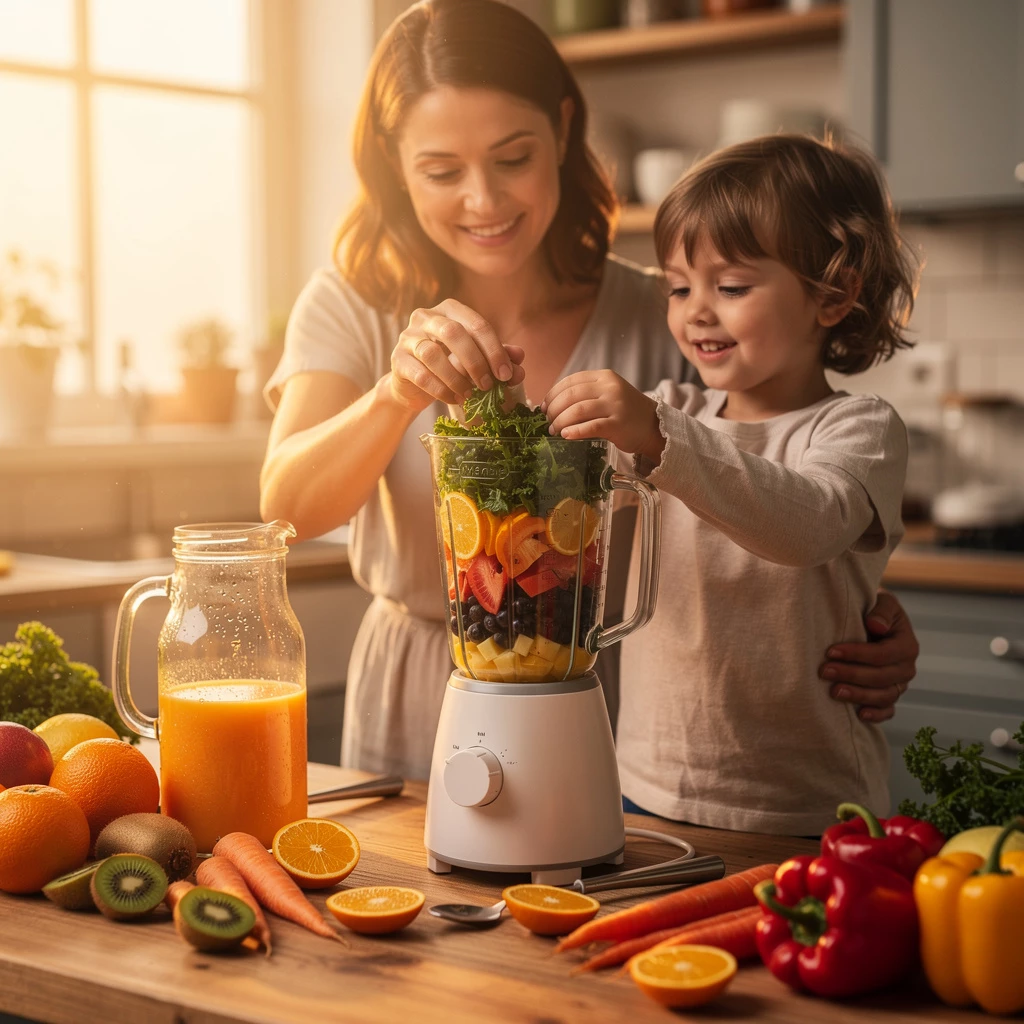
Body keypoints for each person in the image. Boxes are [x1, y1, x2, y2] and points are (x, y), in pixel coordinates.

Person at [259, 0, 918, 783]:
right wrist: (395, 394)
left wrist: (856, 620)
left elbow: (768, 503)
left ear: (563, 131)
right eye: (441, 171)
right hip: (420, 691)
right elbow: (286, 512)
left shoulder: (666, 316)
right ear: (394, 169)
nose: (484, 200)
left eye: (513, 158)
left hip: (615, 694)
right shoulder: (354, 302)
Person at [543, 133, 920, 834]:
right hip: (647, 786)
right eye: (679, 287)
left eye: (732, 286)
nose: (696, 311)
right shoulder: (672, 413)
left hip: (809, 806)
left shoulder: (856, 430)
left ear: (834, 295)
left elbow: (805, 523)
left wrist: (654, 433)